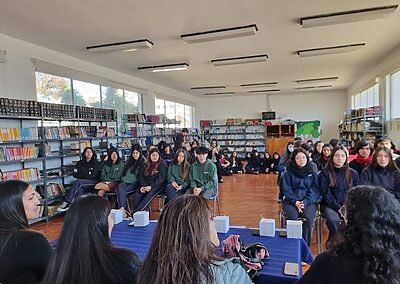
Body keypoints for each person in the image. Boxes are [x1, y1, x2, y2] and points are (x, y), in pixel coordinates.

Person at [137, 195, 252, 284]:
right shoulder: (231, 272)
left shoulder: (148, 271)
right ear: (199, 230)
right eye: (211, 219)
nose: (214, 223)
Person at [298, 185, 400, 284]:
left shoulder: (329, 262)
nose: (343, 217)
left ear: (353, 221)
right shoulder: (394, 260)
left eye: (345, 212)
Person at [42, 195, 141, 284]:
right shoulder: (125, 261)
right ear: (101, 222)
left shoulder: (56, 261)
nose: (113, 222)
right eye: (110, 217)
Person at [0, 180, 52, 283]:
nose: (37, 202)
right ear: (13, 204)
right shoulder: (30, 240)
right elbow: (57, 273)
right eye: (31, 198)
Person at [318, 146, 359, 247]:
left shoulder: (353, 173)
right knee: (334, 220)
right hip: (329, 205)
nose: (339, 158)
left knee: (356, 219)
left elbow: (356, 191)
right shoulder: (325, 173)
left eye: (342, 156)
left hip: (348, 204)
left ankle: (335, 240)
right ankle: (339, 245)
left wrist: (347, 206)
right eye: (337, 155)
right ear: (332, 157)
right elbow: (325, 193)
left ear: (346, 158)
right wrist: (338, 207)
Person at [281, 148, 320, 246]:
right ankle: (292, 245)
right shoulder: (288, 173)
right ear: (294, 160)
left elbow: (315, 190)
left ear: (307, 158)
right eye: (298, 158)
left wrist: (305, 202)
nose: (301, 160)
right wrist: (295, 202)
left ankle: (305, 246)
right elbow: (286, 190)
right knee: (292, 218)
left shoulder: (312, 172)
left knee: (308, 219)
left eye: (303, 157)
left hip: (308, 202)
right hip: (291, 201)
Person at [58, 146, 101, 212]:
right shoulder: (80, 163)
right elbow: (75, 174)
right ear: (84, 154)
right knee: (79, 189)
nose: (89, 153)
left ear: (93, 154)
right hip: (83, 183)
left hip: (93, 182)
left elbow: (93, 175)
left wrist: (82, 175)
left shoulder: (96, 163)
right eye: (87, 152)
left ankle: (66, 202)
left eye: (90, 152)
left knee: (78, 182)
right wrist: (86, 174)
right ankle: (74, 208)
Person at [116, 144, 144, 215]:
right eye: (133, 153)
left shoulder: (143, 162)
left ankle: (124, 210)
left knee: (122, 191)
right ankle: (122, 209)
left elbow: (139, 178)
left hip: (135, 184)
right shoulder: (129, 162)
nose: (135, 155)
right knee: (120, 187)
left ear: (140, 153)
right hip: (125, 182)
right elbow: (124, 174)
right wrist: (123, 179)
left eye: (137, 153)